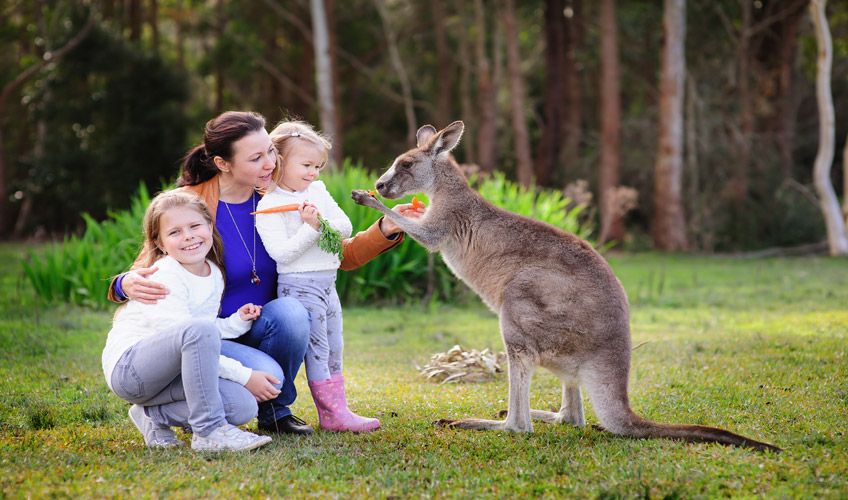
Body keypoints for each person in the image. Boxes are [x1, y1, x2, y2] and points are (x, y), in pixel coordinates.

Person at [108, 111, 422, 435]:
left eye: (270, 151)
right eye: (256, 158)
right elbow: (151, 266)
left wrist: (385, 226)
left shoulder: (279, 197)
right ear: (223, 163)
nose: (270, 164)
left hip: (259, 324)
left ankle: (275, 412)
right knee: (253, 386)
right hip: (210, 333)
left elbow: (339, 254)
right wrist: (122, 284)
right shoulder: (191, 203)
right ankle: (182, 403)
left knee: (292, 313)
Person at [102, 190, 274, 451]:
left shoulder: (213, 272)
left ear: (209, 225)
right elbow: (191, 333)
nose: (189, 236)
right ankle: (209, 431)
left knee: (242, 405)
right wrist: (245, 374)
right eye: (175, 232)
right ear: (160, 244)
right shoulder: (166, 275)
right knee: (212, 349)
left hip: (172, 376)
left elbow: (201, 333)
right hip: (132, 370)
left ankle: (152, 415)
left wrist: (236, 322)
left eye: (195, 226)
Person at [255, 120, 376, 432]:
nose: (313, 173)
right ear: (279, 162)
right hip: (299, 286)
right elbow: (282, 254)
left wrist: (319, 222)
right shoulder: (271, 205)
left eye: (318, 166)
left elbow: (345, 226)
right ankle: (333, 414)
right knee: (318, 349)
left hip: (328, 282)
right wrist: (311, 229)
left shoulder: (317, 191)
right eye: (306, 165)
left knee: (335, 345)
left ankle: (337, 411)